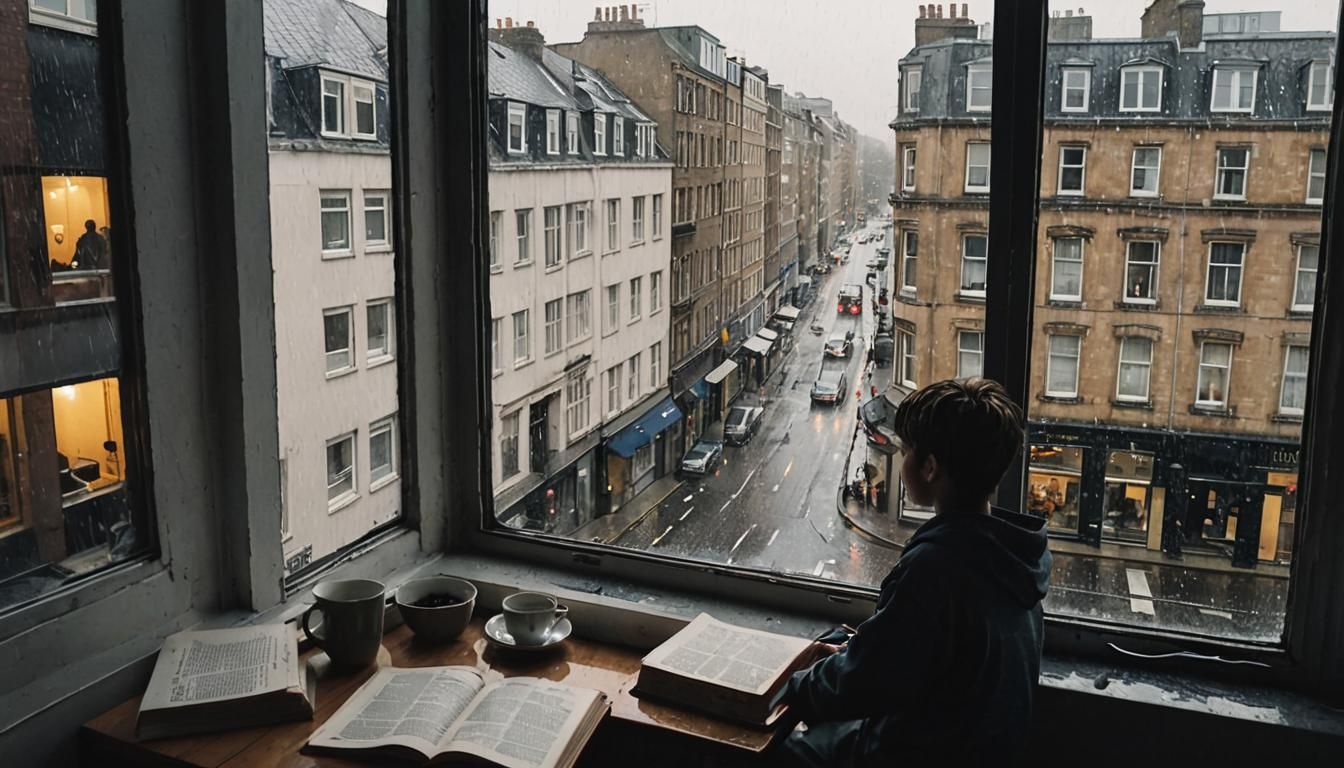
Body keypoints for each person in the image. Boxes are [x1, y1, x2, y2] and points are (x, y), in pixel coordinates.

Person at [778, 378, 1052, 767]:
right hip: (970, 746)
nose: (901, 458)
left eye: (906, 451)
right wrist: (861, 649)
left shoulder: (937, 567)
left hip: (917, 751)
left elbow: (867, 682)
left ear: (929, 467)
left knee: (777, 750)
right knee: (839, 641)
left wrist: (796, 684)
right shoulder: (1014, 554)